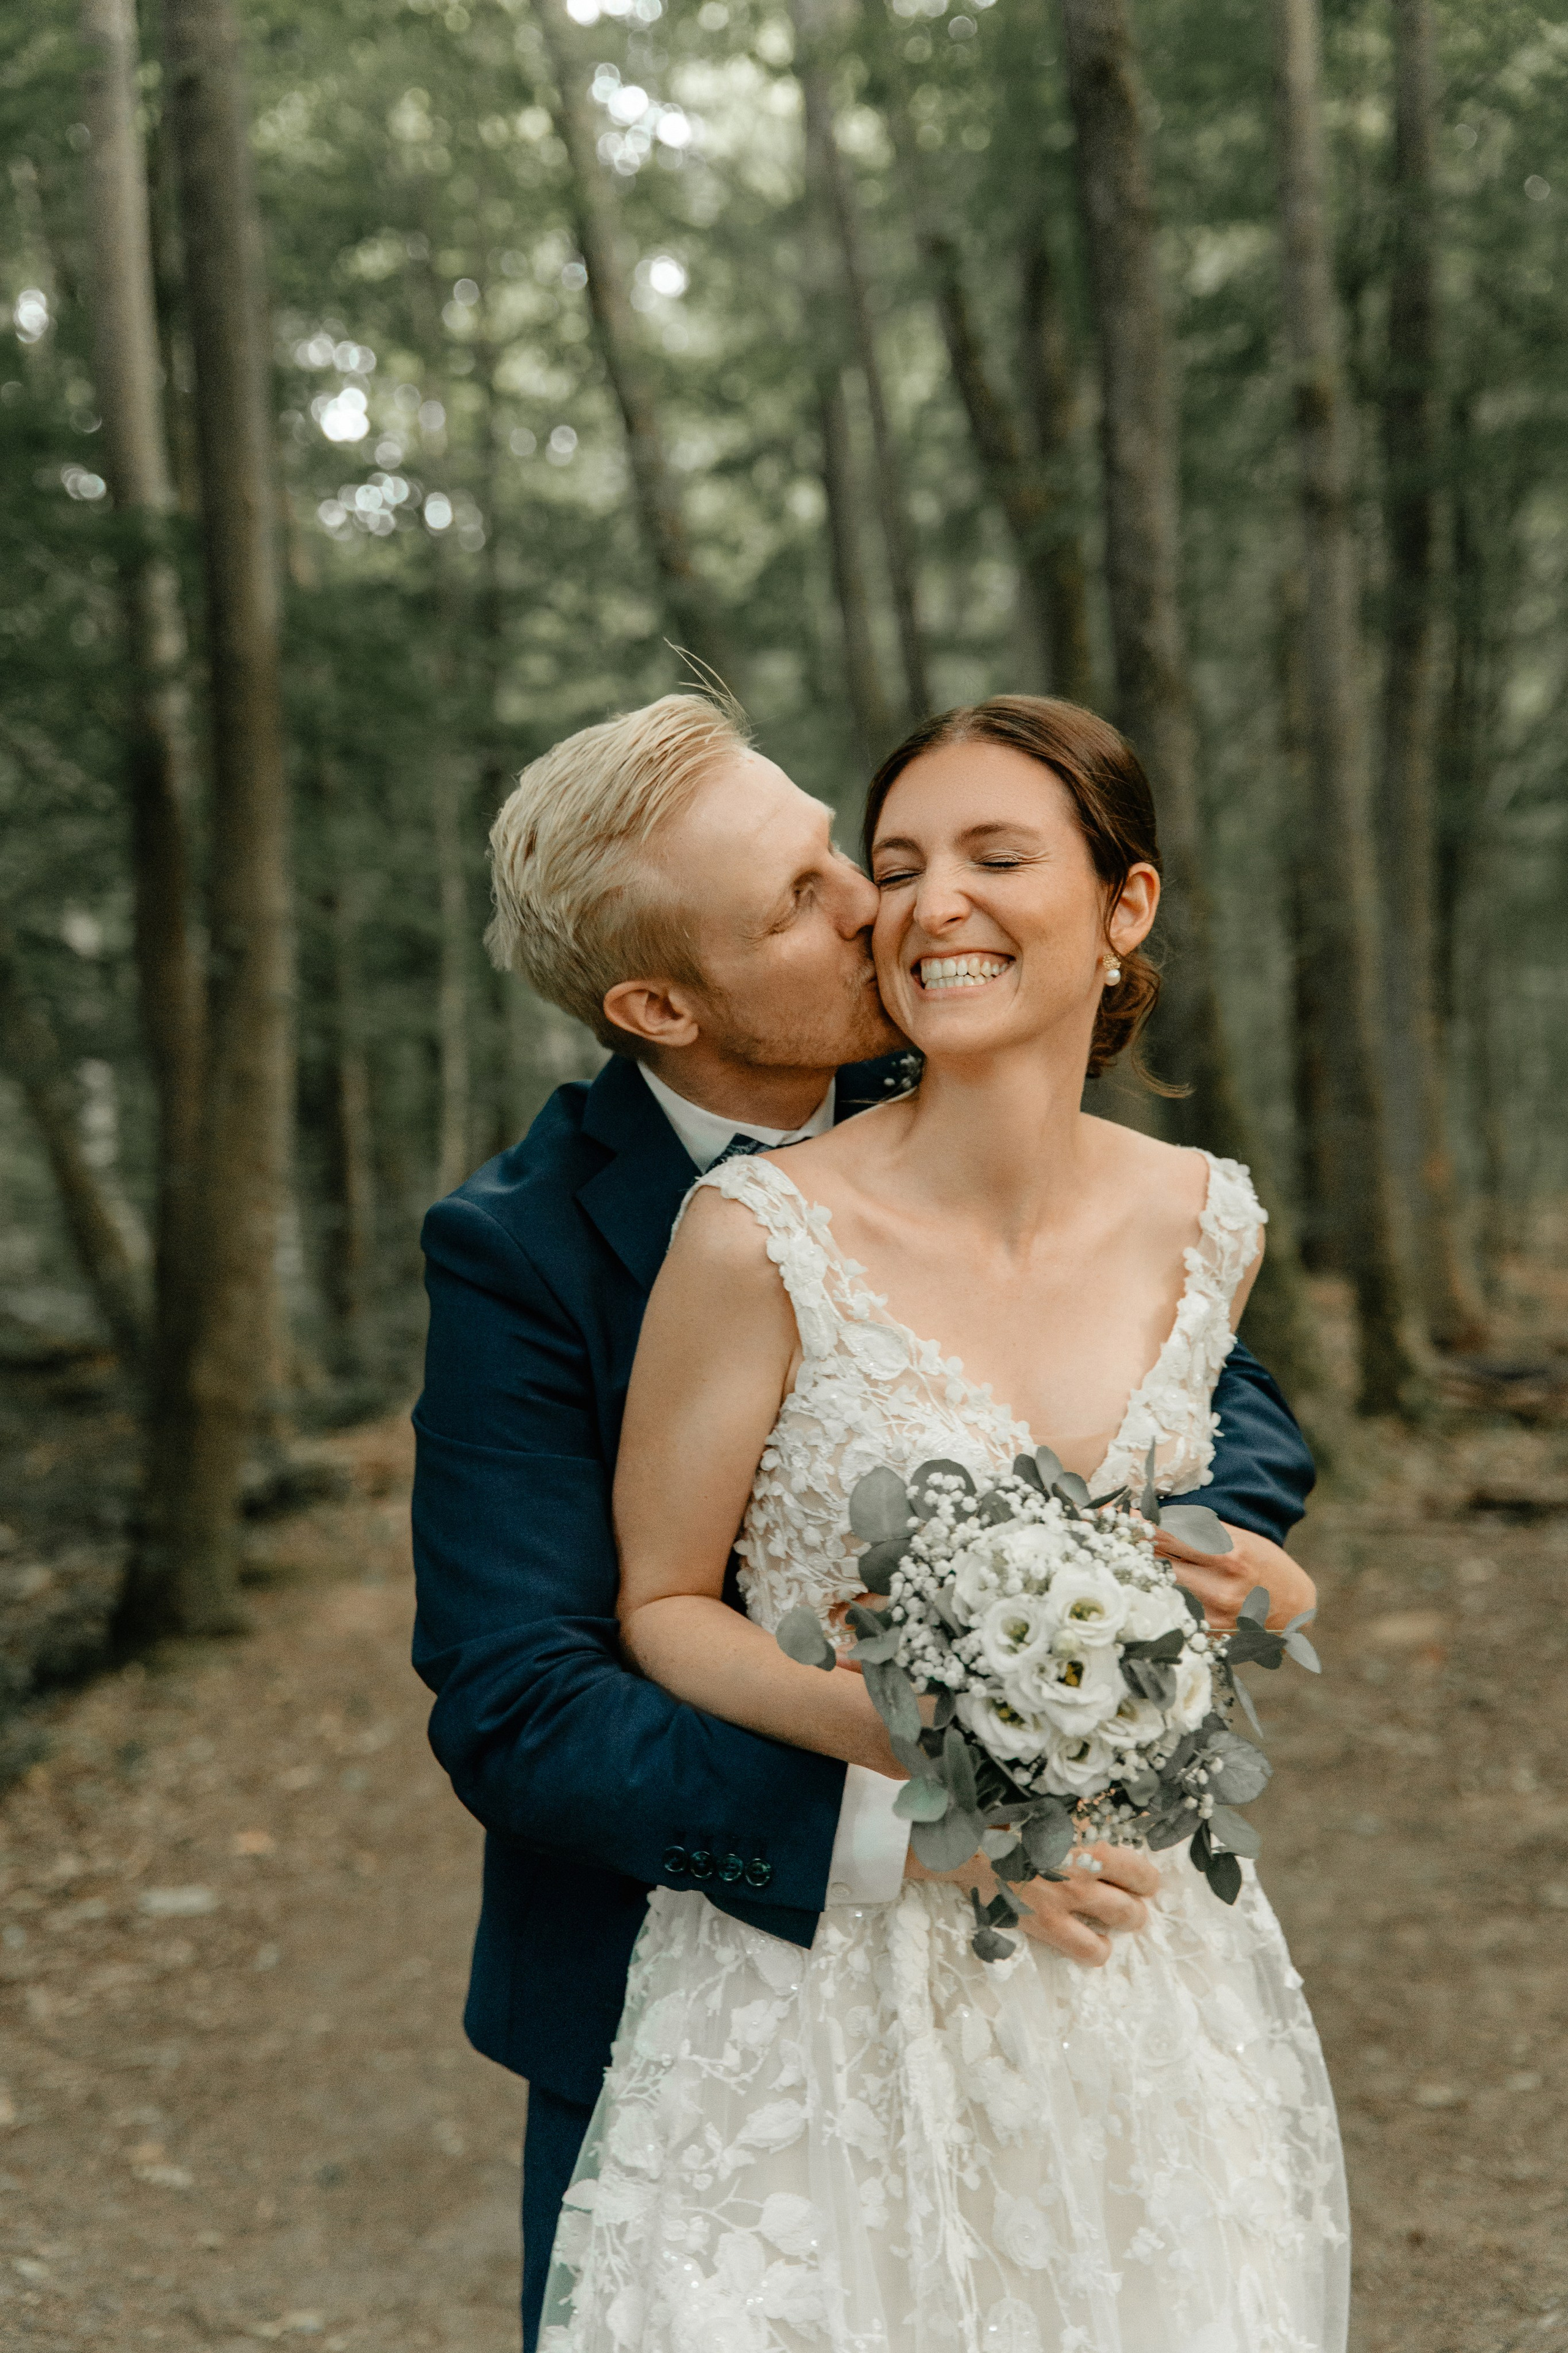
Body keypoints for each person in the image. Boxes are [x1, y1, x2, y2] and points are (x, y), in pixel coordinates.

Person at [409, 693, 1325, 2353]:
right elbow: (520, 1701)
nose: (875, 905)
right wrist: (916, 1818)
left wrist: (1116, 1599)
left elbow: (1216, 1396)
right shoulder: (524, 1250)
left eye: (843, 848)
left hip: (1092, 1966)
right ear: (657, 1001)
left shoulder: (972, 1056)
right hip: (703, 2005)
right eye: (802, 897)